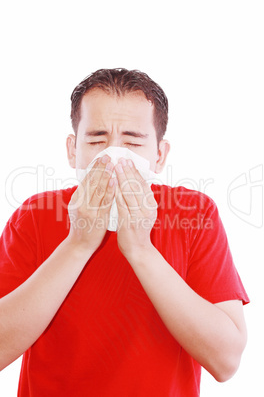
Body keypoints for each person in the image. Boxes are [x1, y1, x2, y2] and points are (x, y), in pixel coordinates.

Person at [0, 68, 249, 397]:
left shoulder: (194, 213)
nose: (113, 156)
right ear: (73, 149)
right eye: (97, 140)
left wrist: (141, 251)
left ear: (159, 155)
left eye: (132, 142)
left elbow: (227, 361)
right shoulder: (34, 216)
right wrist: (78, 244)